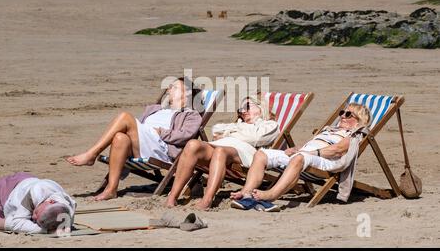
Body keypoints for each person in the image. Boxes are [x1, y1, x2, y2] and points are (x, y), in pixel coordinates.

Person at [66, 77, 202, 201]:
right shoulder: (156, 109)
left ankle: (92, 154)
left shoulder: (191, 115)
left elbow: (186, 136)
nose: (168, 89)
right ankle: (111, 189)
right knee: (120, 138)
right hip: (142, 142)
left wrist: (161, 132)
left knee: (125, 117)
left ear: (187, 93)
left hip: (160, 148)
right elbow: (139, 127)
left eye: (174, 87)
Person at [230, 103, 371, 209]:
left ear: (358, 122)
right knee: (262, 154)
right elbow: (311, 146)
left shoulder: (354, 135)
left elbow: (337, 150)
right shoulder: (330, 129)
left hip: (326, 163)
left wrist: (308, 153)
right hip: (306, 156)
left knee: (299, 158)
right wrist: (296, 149)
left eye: (348, 115)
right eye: (342, 112)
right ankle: (246, 193)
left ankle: (270, 195)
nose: (342, 116)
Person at [166, 94, 280, 210]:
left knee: (220, 151)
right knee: (192, 144)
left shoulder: (270, 125)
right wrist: (239, 130)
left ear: (261, 107)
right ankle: (173, 196)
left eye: (247, 107)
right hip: (222, 147)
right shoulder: (239, 124)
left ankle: (207, 199)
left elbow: (256, 138)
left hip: (247, 154)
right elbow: (216, 129)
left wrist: (228, 133)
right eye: (240, 110)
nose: (243, 112)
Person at [0, 172, 76, 234]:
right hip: (12, 185)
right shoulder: (34, 192)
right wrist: (45, 230)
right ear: (50, 201)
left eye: (36, 220)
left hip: (7, 211)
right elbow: (16, 223)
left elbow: (14, 223)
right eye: (37, 213)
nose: (33, 216)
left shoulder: (68, 208)